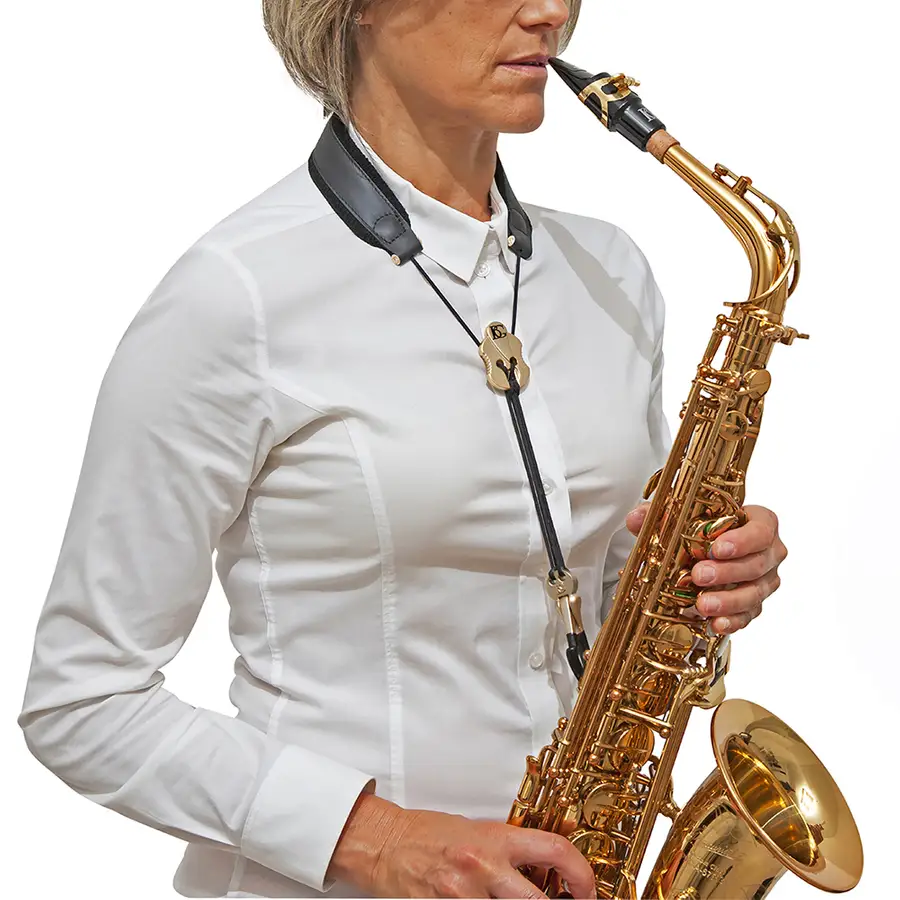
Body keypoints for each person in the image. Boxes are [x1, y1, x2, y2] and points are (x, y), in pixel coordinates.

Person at [18, 1, 789, 898]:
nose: (549, 13)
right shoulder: (233, 296)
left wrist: (703, 578)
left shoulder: (610, 272)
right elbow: (82, 701)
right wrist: (378, 839)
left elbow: (611, 600)